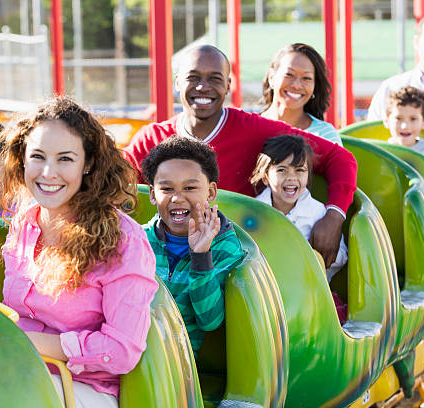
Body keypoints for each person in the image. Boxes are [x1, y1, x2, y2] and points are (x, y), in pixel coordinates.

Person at [124, 44, 357, 269]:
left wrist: (334, 215)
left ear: (228, 85)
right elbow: (114, 177)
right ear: (177, 82)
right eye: (193, 77)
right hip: (171, 268)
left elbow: (340, 158)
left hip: (241, 264)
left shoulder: (253, 128)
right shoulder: (151, 138)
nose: (203, 87)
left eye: (214, 79)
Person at [0, 97, 158, 407]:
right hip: (17, 370)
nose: (48, 172)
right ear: (22, 159)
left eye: (65, 159)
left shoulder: (123, 239)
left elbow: (122, 350)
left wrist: (27, 343)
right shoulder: (24, 222)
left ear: (88, 164)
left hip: (84, 389)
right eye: (38, 157)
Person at [140, 136, 245, 354]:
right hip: (126, 351)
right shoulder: (137, 241)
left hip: (176, 363)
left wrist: (201, 256)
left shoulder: (225, 248)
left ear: (211, 192)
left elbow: (210, 320)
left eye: (189, 188)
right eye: (167, 189)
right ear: (152, 194)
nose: (177, 198)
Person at [250, 135, 347, 282]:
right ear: (265, 177)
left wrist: (312, 253)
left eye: (299, 170)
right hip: (267, 290)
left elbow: (341, 256)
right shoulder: (254, 211)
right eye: (282, 170)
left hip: (308, 290)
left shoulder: (318, 213)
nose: (291, 177)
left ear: (308, 175)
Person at [260, 43, 342, 146]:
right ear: (271, 77)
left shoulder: (325, 135)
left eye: (306, 78)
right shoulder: (249, 128)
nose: (297, 85)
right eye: (289, 75)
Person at [384, 86, 424, 167]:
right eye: (398, 118)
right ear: (387, 121)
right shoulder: (381, 151)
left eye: (413, 119)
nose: (405, 126)